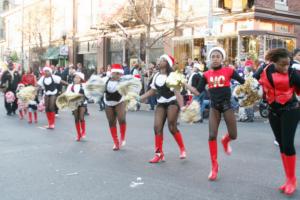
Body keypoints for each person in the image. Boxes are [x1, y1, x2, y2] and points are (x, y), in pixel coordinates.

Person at [197, 47, 245, 181]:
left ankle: (225, 140)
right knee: (211, 136)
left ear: (222, 58)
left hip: (226, 105)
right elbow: (198, 91)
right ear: (209, 59)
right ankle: (214, 167)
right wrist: (182, 84)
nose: (215, 58)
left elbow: (243, 82)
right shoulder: (206, 74)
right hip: (214, 107)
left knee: (234, 135)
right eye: (213, 56)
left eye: (218, 56)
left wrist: (251, 86)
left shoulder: (229, 70)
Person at [256, 48, 300, 196]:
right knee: (281, 144)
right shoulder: (265, 70)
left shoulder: (293, 73)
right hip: (273, 111)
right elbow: (250, 82)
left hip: (291, 109)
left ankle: (292, 180)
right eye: (282, 65)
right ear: (274, 62)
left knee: (288, 144)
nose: (285, 68)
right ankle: (288, 179)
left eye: (288, 64)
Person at [140, 54, 189, 163]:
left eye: (162, 60)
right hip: (161, 103)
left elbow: (177, 93)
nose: (159, 61)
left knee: (172, 126)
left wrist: (182, 107)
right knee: (157, 127)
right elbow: (152, 91)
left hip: (172, 102)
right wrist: (139, 98)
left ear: (167, 63)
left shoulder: (172, 75)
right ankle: (159, 154)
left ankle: (182, 149)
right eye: (159, 59)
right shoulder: (156, 75)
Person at [103, 64, 127, 151]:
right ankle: (116, 142)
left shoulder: (123, 81)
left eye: (119, 74)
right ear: (112, 73)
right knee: (111, 122)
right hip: (108, 102)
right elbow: (97, 87)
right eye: (116, 73)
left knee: (121, 119)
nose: (118, 75)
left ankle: (122, 137)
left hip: (119, 102)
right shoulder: (105, 80)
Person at [65, 72, 87, 141]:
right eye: (75, 77)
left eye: (77, 77)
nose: (75, 79)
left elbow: (88, 93)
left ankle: (83, 131)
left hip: (82, 102)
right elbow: (66, 94)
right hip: (74, 103)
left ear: (80, 79)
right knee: (76, 118)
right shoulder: (70, 86)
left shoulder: (84, 85)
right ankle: (78, 134)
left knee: (81, 117)